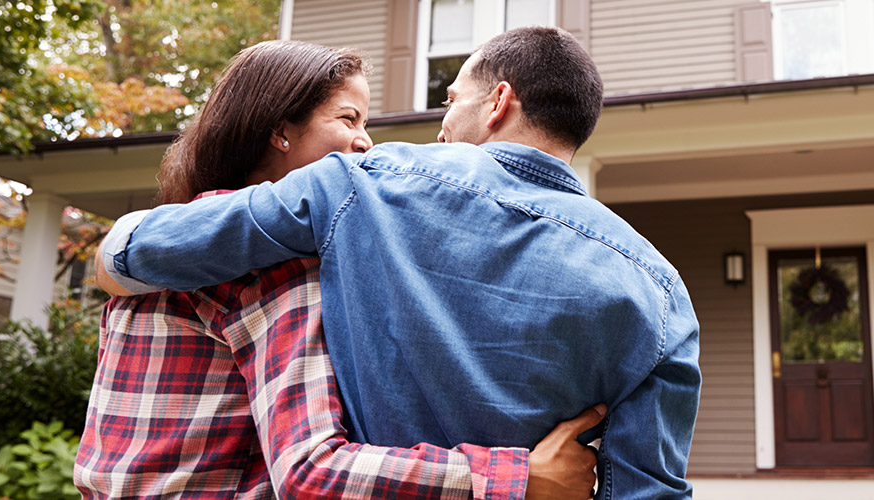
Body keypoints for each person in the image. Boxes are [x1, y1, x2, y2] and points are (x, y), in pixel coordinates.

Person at [97, 27, 701, 500]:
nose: (440, 127)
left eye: (451, 100)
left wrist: (114, 253)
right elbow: (650, 487)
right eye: (351, 119)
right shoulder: (662, 291)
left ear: (498, 103)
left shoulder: (361, 189)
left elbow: (148, 247)